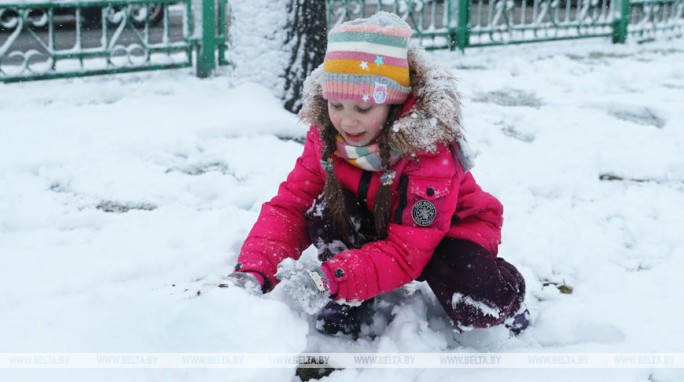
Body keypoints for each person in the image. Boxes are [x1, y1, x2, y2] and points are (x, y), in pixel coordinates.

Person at [222, 12, 529, 337]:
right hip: (380, 225)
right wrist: (254, 269)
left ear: (394, 104)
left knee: (477, 302)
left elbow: (408, 252)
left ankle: (509, 296)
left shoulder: (426, 151)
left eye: (364, 109)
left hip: (445, 234)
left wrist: (328, 278)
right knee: (323, 210)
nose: (347, 122)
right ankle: (350, 295)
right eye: (336, 105)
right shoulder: (327, 137)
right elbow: (291, 205)